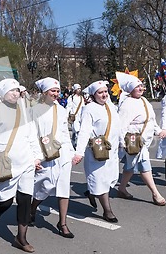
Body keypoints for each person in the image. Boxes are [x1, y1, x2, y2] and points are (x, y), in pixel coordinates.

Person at [0, 79, 43, 253]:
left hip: (26, 162)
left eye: (17, 91)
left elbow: (32, 135)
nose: (16, 94)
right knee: (5, 201)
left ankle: (21, 238)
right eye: (12, 91)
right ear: (3, 93)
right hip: (6, 163)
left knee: (25, 200)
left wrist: (36, 157)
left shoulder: (25, 110)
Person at [30, 77, 75, 238]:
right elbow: (32, 134)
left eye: (57, 91)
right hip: (44, 154)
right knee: (45, 186)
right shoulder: (35, 110)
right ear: (45, 92)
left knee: (64, 188)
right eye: (52, 91)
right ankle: (32, 208)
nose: (55, 94)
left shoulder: (61, 110)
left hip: (62, 154)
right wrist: (35, 157)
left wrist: (71, 152)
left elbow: (65, 133)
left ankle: (62, 223)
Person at [72, 80, 121, 223]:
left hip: (111, 151)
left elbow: (117, 126)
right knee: (100, 180)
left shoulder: (111, 106)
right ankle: (108, 211)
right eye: (100, 92)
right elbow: (84, 131)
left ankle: (91, 191)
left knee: (111, 179)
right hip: (96, 152)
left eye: (105, 91)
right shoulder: (89, 109)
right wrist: (79, 152)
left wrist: (123, 143)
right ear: (94, 95)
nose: (104, 94)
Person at [115, 73, 166, 205]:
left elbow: (151, 119)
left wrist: (158, 130)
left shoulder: (144, 101)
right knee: (144, 165)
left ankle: (121, 188)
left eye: (141, 86)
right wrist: (122, 143)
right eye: (137, 87)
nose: (141, 88)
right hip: (133, 141)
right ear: (130, 89)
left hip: (144, 141)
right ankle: (156, 194)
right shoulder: (127, 104)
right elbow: (121, 126)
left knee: (130, 166)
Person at [67, 84, 84, 149]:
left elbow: (83, 107)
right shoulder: (71, 97)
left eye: (80, 88)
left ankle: (77, 143)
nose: (79, 90)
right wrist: (66, 116)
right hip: (74, 117)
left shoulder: (81, 97)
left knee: (79, 130)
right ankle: (75, 144)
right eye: (78, 89)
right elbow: (68, 107)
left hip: (81, 116)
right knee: (76, 130)